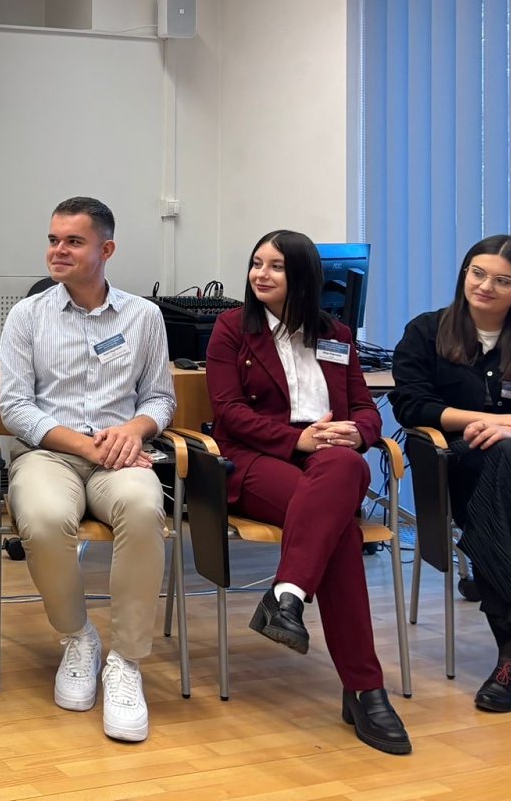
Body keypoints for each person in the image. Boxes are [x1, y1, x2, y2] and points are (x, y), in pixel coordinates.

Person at [204, 230, 410, 755]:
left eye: (276, 266)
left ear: (304, 277)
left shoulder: (336, 334)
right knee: (340, 533)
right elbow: (229, 413)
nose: (261, 274)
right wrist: (297, 438)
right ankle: (364, 688)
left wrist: (358, 433)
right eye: (256, 263)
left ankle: (287, 597)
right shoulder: (232, 328)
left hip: (328, 461)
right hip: (256, 458)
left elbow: (363, 406)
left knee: (343, 466)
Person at [0, 196, 172, 743]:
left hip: (121, 455)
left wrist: (134, 430)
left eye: (73, 241)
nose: (58, 250)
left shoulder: (144, 316)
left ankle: (126, 661)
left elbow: (161, 398)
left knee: (143, 508)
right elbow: (15, 407)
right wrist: (85, 446)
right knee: (44, 518)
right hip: (51, 454)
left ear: (106, 249)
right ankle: (78, 637)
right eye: (53, 240)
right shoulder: (27, 316)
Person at [388, 234, 511, 712]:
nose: (485, 286)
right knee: (506, 463)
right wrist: (499, 423)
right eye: (477, 273)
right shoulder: (426, 332)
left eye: (502, 280)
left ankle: (510, 663)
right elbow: (412, 404)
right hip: (463, 462)